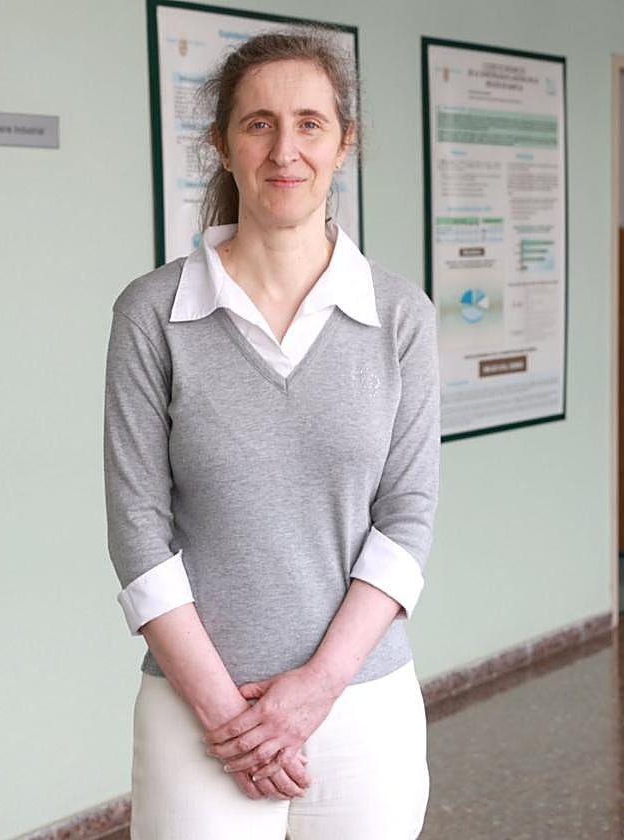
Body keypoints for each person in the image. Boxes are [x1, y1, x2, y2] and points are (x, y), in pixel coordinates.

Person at [102, 28, 440, 840]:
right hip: (197, 714)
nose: (285, 150)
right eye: (258, 124)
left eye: (309, 124)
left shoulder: (400, 315)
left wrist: (316, 688)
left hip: (363, 704)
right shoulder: (152, 314)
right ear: (222, 145)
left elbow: (407, 517)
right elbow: (137, 529)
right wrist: (230, 718)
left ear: (343, 143)